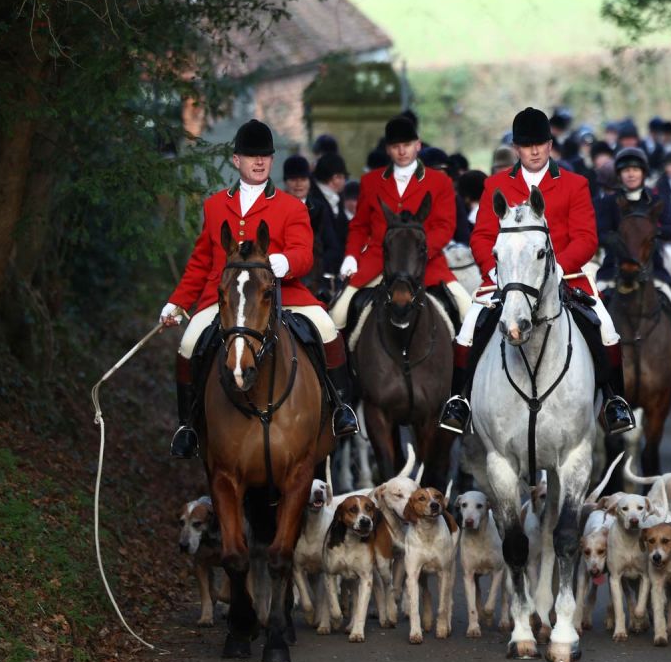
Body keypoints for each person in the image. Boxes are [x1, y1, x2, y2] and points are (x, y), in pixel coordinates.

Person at [161, 119, 358, 459]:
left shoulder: (292, 206)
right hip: (224, 297)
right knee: (189, 343)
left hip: (281, 294)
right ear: (236, 160)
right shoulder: (214, 206)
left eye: (265, 156)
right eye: (251, 156)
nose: (259, 161)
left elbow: (304, 253)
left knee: (327, 328)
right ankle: (188, 426)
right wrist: (177, 302)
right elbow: (200, 262)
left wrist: (286, 262)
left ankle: (341, 408)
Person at [438, 107, 635, 435]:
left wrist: (559, 268)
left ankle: (615, 401)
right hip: (509, 278)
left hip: (565, 275)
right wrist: (494, 270)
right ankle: (459, 399)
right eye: (527, 145)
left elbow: (586, 237)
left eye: (540, 144)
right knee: (468, 328)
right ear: (516, 148)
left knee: (607, 327)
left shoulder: (574, 184)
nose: (534, 151)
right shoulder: (497, 184)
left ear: (549, 145)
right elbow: (482, 236)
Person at [331, 115, 468, 336]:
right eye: (396, 147)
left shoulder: (439, 181)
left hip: (427, 262)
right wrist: (351, 256)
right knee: (336, 314)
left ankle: (463, 372)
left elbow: (445, 226)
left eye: (407, 145)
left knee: (467, 309)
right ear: (388, 150)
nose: (402, 151)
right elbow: (359, 226)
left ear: (418, 145)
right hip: (377, 260)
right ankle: (344, 371)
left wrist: (419, 252)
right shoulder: (371, 181)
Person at [595, 147, 671, 380]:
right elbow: (601, 232)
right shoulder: (608, 202)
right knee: (596, 307)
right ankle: (594, 357)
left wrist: (651, 231)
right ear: (619, 175)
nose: (630, 174)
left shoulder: (656, 200)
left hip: (651, 269)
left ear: (643, 173)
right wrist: (617, 240)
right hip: (615, 269)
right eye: (625, 171)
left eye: (635, 169)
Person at [308, 153, 349, 283]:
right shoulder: (316, 203)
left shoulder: (335, 198)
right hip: (322, 273)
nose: (343, 181)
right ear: (333, 178)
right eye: (341, 177)